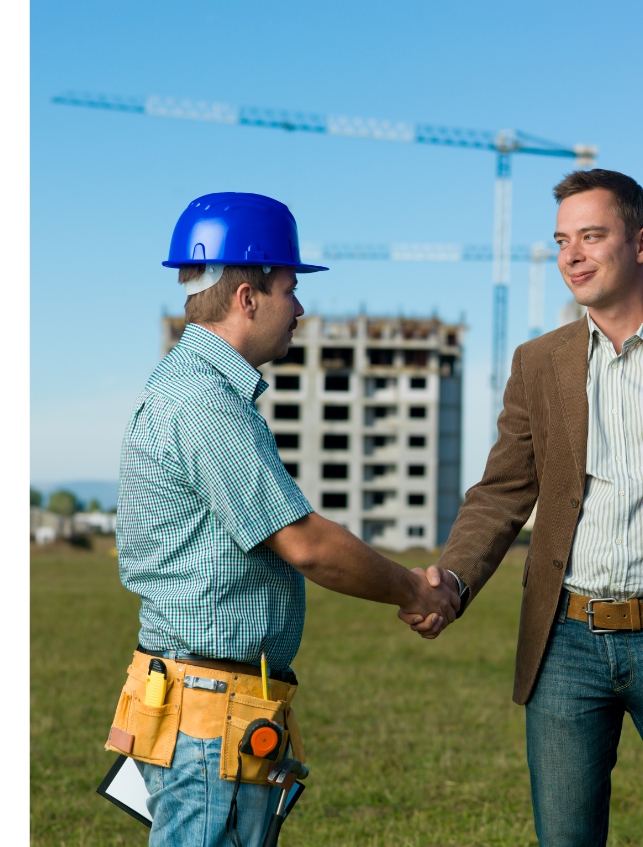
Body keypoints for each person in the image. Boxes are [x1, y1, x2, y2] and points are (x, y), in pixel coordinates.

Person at [401, 170, 643, 846]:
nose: (572, 255)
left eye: (592, 236)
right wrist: (454, 579)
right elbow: (501, 492)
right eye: (562, 241)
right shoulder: (537, 363)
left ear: (642, 242)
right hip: (566, 642)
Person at [111, 192, 459, 847]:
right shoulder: (204, 403)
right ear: (248, 296)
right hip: (206, 715)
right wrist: (415, 590)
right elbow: (305, 543)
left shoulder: (193, 390)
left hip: (205, 702)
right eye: (290, 289)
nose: (300, 308)